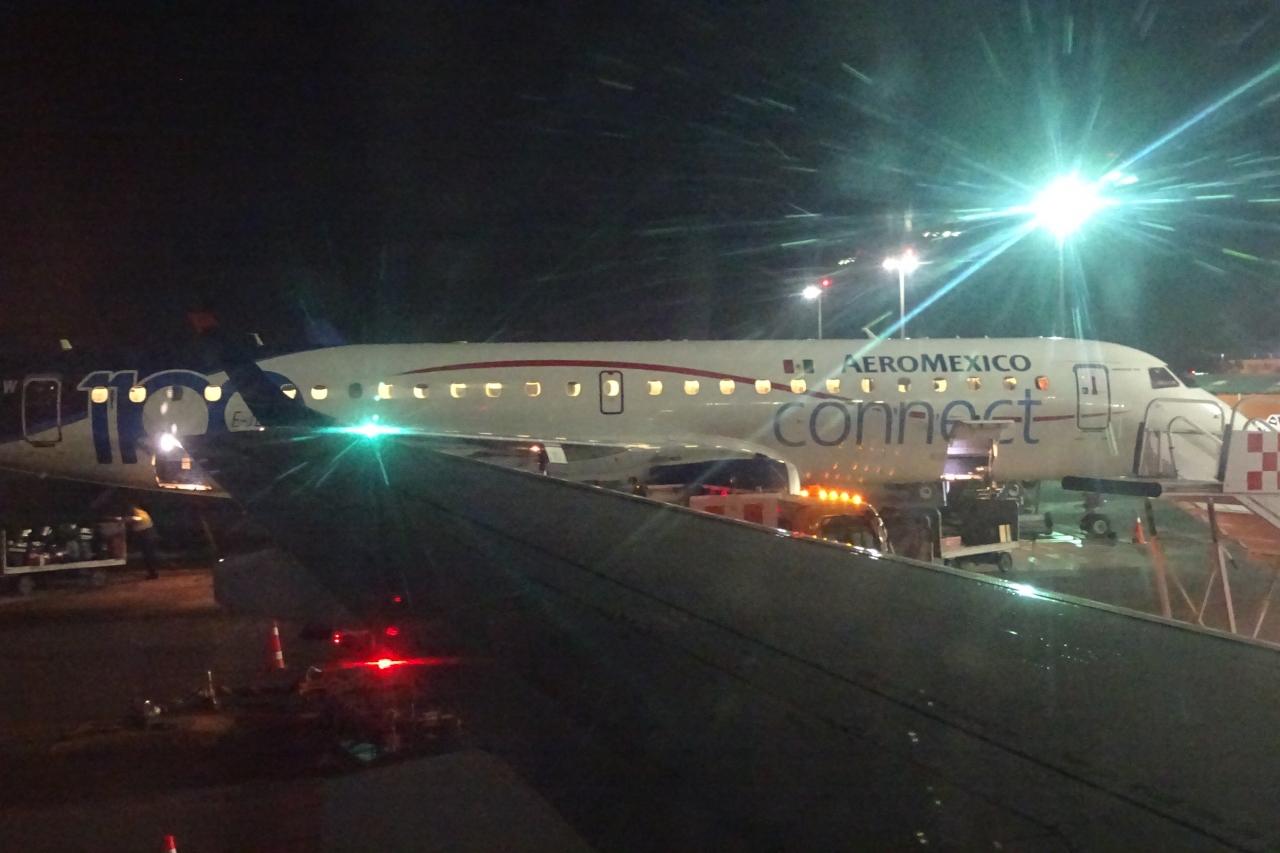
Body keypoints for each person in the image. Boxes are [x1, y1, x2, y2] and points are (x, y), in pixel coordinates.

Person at [126, 503, 160, 579]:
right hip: (149, 535)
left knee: (148, 555)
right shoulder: (142, 512)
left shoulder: (138, 513)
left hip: (146, 536)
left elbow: (138, 519)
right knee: (150, 555)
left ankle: (153, 573)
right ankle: (153, 572)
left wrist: (128, 519)